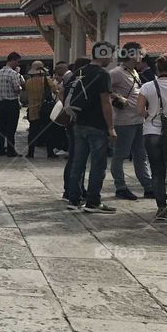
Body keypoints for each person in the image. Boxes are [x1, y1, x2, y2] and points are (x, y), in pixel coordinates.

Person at [66, 42, 118, 214]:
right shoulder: (102, 74)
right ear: (103, 54)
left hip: (78, 123)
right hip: (97, 125)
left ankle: (74, 199)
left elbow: (62, 92)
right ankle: (93, 202)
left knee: (78, 163)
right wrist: (111, 128)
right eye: (110, 55)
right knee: (97, 165)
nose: (111, 59)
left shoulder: (78, 71)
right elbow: (106, 103)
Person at [138, 54, 167, 221]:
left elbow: (139, 111)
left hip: (151, 132)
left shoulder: (147, 87)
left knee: (157, 172)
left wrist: (151, 116)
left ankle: (161, 208)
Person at [110, 42, 154, 200]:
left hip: (138, 119)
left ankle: (148, 186)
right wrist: (116, 97)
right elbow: (105, 89)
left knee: (141, 155)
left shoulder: (134, 71)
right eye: (140, 53)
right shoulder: (116, 72)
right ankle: (120, 187)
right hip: (124, 121)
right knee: (120, 155)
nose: (142, 56)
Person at [62, 58, 91, 202]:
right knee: (78, 159)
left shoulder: (69, 82)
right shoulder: (81, 82)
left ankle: (72, 188)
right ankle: (73, 190)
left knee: (75, 157)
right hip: (79, 122)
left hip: (70, 122)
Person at [24, 60, 59, 158]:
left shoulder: (28, 82)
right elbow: (55, 91)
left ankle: (30, 153)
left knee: (32, 132)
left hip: (32, 110)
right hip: (45, 109)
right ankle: (50, 152)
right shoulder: (47, 80)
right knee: (48, 131)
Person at [0, 52, 24, 156]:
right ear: (13, 60)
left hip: (0, 103)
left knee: (1, 127)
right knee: (11, 128)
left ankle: (0, 148)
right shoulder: (13, 74)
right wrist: (21, 87)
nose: (18, 64)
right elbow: (16, 89)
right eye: (17, 62)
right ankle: (11, 150)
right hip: (11, 102)